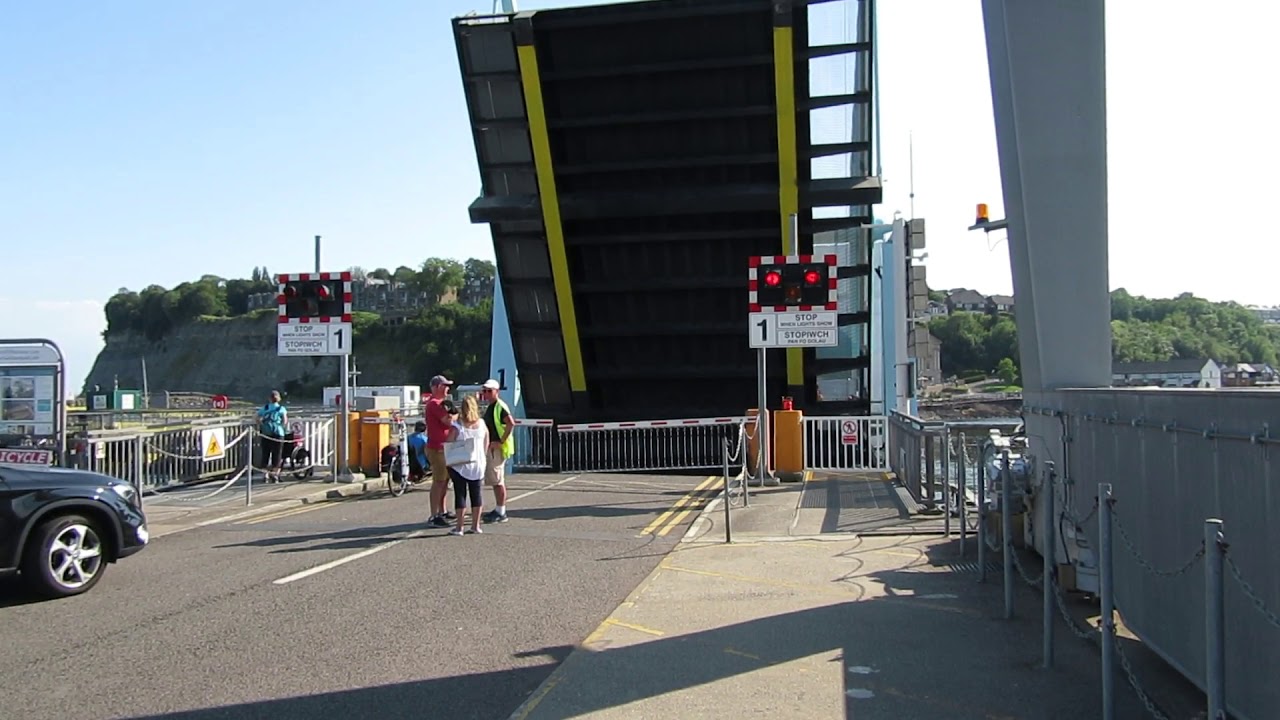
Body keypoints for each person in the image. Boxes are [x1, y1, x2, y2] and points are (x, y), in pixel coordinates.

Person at [444, 394, 489, 536]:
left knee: (460, 494)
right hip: (478, 463)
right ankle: (476, 525)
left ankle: (459, 527)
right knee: (476, 494)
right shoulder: (481, 424)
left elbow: (449, 444)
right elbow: (486, 442)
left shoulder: (457, 427)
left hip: (460, 464)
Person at [480, 379, 515, 523]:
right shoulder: (493, 406)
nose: (486, 393)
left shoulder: (499, 406)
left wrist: (500, 441)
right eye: (485, 391)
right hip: (494, 447)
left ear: (496, 391)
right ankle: (499, 509)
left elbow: (510, 423)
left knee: (498, 479)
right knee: (495, 480)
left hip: (498, 448)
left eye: (490, 391)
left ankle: (501, 511)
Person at [424, 375, 456, 528]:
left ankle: (442, 509)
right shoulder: (434, 404)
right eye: (444, 386)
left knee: (445, 480)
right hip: (437, 448)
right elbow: (448, 421)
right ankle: (434, 514)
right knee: (439, 481)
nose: (447, 389)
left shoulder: (440, 404)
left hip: (444, 447)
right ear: (436, 387)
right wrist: (454, 414)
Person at [256, 390, 288, 483]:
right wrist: (281, 427)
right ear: (278, 399)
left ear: (269, 398)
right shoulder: (281, 409)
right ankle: (275, 475)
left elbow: (256, 417)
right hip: (278, 433)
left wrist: (261, 424)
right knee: (277, 454)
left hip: (266, 433)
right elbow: (284, 421)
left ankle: (265, 475)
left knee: (265, 453)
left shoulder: (265, 408)